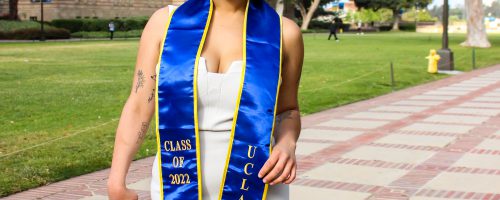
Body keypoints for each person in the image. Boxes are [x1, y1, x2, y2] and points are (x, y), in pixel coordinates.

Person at [106, 0, 304, 199]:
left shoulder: (283, 33)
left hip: (256, 183)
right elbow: (139, 105)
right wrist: (116, 180)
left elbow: (288, 110)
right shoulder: (166, 23)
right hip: (176, 181)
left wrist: (287, 142)